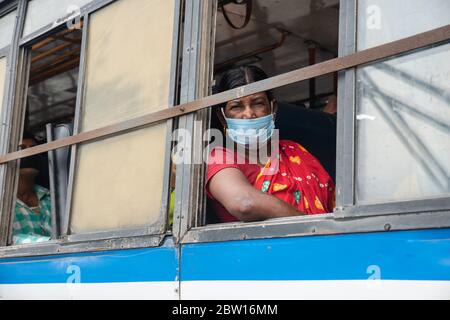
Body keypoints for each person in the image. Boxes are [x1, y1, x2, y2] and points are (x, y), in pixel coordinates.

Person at [206, 66, 335, 223]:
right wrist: (314, 227)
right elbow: (244, 203)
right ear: (222, 118)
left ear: (273, 109)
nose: (249, 114)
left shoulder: (294, 151)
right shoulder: (219, 157)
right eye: (236, 106)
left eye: (257, 103)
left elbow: (333, 203)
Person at [12, 131, 52, 245]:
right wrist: (51, 243)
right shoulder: (3, 203)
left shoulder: (52, 198)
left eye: (33, 148)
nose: (29, 153)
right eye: (22, 148)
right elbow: (5, 241)